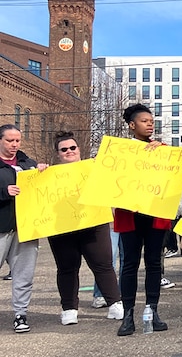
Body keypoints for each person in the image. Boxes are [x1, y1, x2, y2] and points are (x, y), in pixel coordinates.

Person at [47, 132, 124, 325]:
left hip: (93, 223)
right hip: (62, 228)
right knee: (67, 268)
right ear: (58, 153)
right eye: (64, 149)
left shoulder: (94, 168)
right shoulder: (49, 175)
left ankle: (115, 303)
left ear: (79, 149)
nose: (69, 152)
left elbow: (115, 182)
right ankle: (69, 309)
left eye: (72, 148)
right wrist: (41, 171)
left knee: (103, 264)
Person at [115, 104, 172, 336]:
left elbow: (174, 172)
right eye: (144, 121)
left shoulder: (162, 149)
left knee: (154, 262)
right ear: (131, 125)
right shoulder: (119, 151)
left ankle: (152, 311)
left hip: (154, 213)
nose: (150, 124)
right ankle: (128, 314)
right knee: (129, 263)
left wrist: (163, 152)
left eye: (151, 120)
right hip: (130, 213)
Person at [0, 124, 47, 333]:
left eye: (17, 140)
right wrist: (3, 191)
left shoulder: (28, 163)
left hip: (26, 228)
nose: (14, 144)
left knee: (23, 275)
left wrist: (44, 172)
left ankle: (21, 314)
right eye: (10, 140)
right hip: (2, 228)